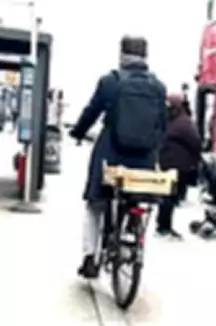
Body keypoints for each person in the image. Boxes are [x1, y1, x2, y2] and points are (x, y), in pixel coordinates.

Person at [69, 35, 167, 279]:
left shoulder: (110, 82)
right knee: (137, 200)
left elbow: (91, 112)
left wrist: (78, 131)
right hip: (143, 160)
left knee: (95, 205)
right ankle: (135, 243)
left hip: (110, 154)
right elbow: (163, 125)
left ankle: (90, 257)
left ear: (121, 54)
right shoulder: (158, 87)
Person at [156, 93, 202, 238]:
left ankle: (163, 225)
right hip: (179, 166)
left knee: (167, 196)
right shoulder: (184, 122)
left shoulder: (170, 121)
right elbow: (195, 142)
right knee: (170, 196)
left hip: (168, 163)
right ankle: (164, 226)